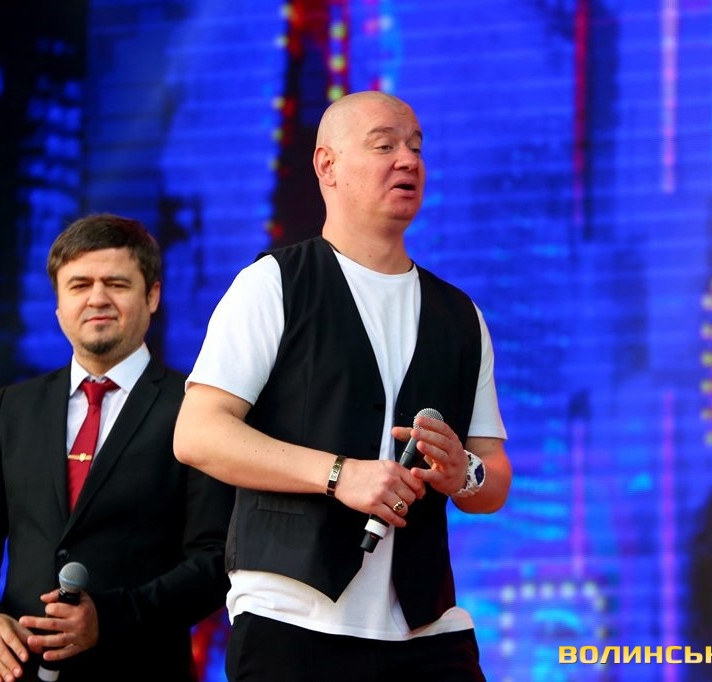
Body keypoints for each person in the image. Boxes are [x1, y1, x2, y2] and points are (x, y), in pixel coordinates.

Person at [173, 90, 513, 681]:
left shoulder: (460, 316)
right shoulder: (273, 284)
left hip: (428, 630)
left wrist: (464, 475)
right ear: (327, 165)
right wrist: (339, 474)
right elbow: (198, 434)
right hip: (292, 618)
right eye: (384, 145)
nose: (407, 160)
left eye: (416, 147)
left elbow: (494, 477)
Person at [0, 213, 235, 682]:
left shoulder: (194, 408)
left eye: (116, 283)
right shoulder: (13, 408)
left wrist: (109, 618)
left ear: (152, 295)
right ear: (58, 304)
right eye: (79, 285)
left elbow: (214, 561)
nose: (97, 298)